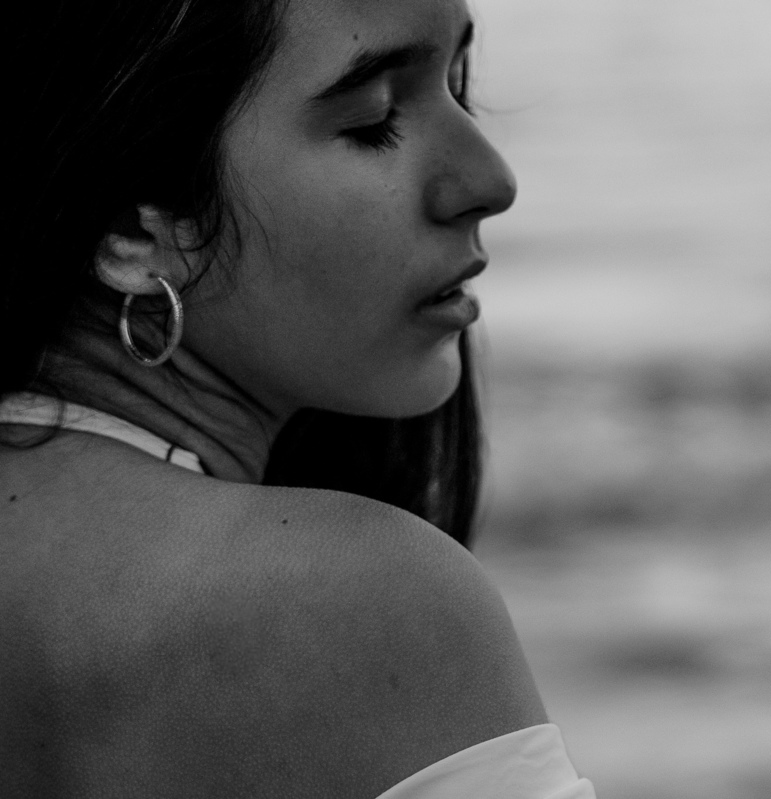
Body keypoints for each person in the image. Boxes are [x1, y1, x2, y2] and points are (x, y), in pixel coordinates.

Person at [0, 0, 595, 796]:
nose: (488, 180)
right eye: (376, 120)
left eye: (455, 85)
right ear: (131, 231)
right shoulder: (361, 606)